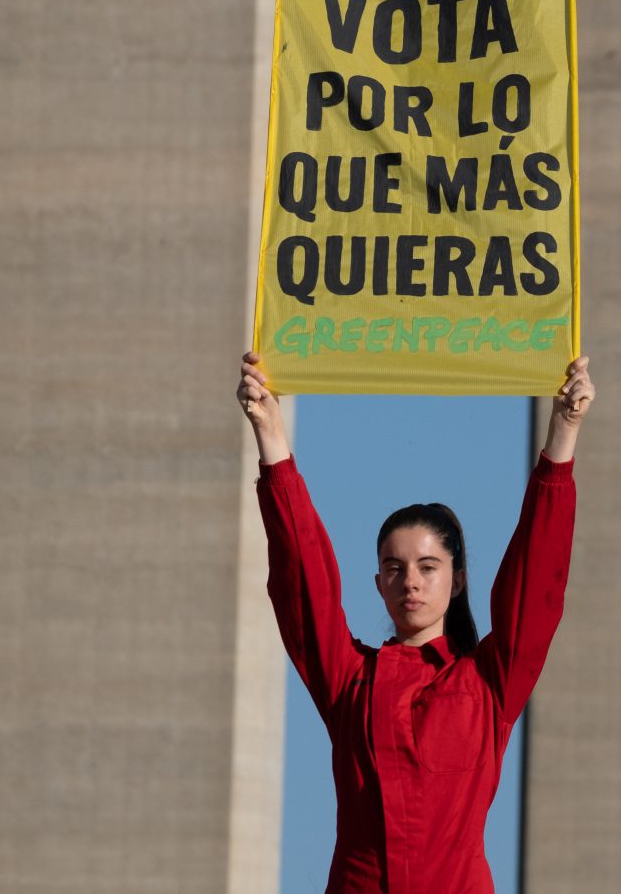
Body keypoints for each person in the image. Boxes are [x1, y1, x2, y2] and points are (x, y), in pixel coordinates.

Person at [237, 349, 594, 894]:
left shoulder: (488, 685)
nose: (411, 581)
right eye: (394, 568)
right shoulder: (349, 682)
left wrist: (563, 434)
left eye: (429, 567)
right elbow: (302, 582)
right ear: (377, 583)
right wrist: (271, 436)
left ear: (457, 579)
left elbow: (537, 585)